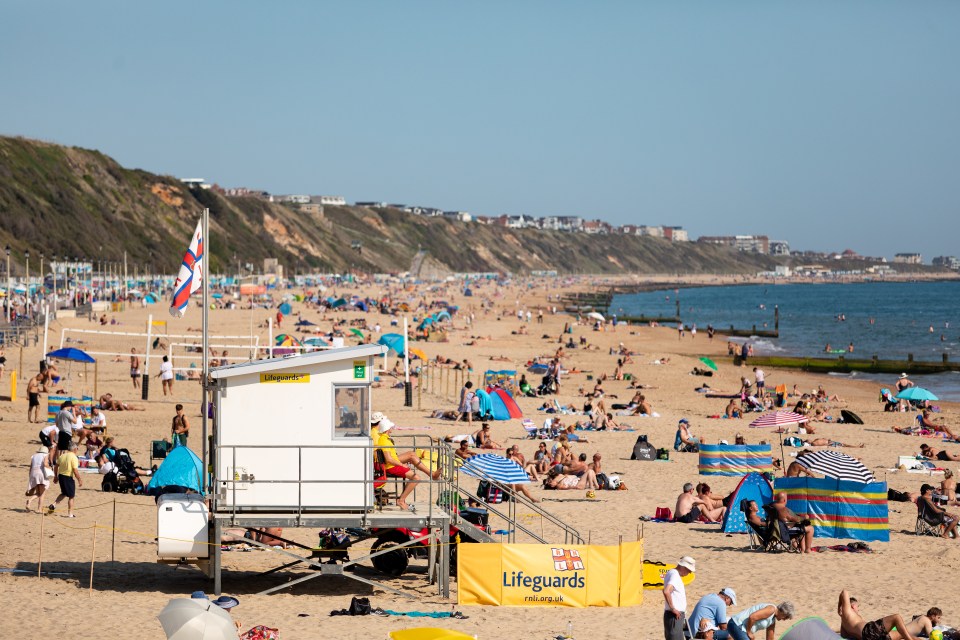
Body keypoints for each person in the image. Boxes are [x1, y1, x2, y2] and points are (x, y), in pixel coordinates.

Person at [372, 413, 438, 511]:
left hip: (385, 462)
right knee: (415, 474)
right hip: (385, 463)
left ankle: (432, 474)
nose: (392, 429)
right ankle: (401, 500)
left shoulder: (379, 434)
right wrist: (401, 464)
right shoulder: (379, 436)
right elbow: (387, 457)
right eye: (391, 427)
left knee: (412, 455)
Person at [838, 590, 918, 640]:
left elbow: (844, 636)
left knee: (901, 633)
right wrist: (839, 608)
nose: (858, 609)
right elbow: (844, 592)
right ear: (852, 605)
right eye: (857, 606)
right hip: (868, 631)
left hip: (871, 637)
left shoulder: (844, 622)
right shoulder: (848, 612)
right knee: (896, 617)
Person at [662, 556, 696, 640]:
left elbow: (665, 590)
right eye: (689, 571)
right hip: (674, 615)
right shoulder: (675, 575)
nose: (689, 573)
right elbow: (666, 591)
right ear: (684, 567)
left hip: (674, 615)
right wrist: (673, 608)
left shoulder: (672, 573)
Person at [728, 602, 795, 640]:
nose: (784, 620)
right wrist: (749, 632)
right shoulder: (771, 609)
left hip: (741, 629)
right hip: (736, 624)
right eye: (786, 617)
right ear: (783, 612)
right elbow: (752, 617)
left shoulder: (772, 621)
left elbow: (770, 638)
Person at [49, 442, 82, 517]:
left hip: (61, 476)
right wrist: (79, 479)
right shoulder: (74, 457)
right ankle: (70, 514)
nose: (77, 450)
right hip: (68, 477)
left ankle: (54, 505)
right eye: (77, 448)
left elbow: (56, 466)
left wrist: (56, 476)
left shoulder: (62, 456)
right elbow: (75, 470)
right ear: (74, 449)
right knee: (71, 496)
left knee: (64, 493)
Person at [25, 445, 52, 512]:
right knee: (42, 493)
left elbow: (31, 467)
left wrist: (30, 476)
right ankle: (39, 509)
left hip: (33, 473)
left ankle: (30, 501)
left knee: (38, 492)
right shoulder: (45, 455)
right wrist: (50, 468)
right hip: (41, 474)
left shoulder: (34, 456)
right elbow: (45, 464)